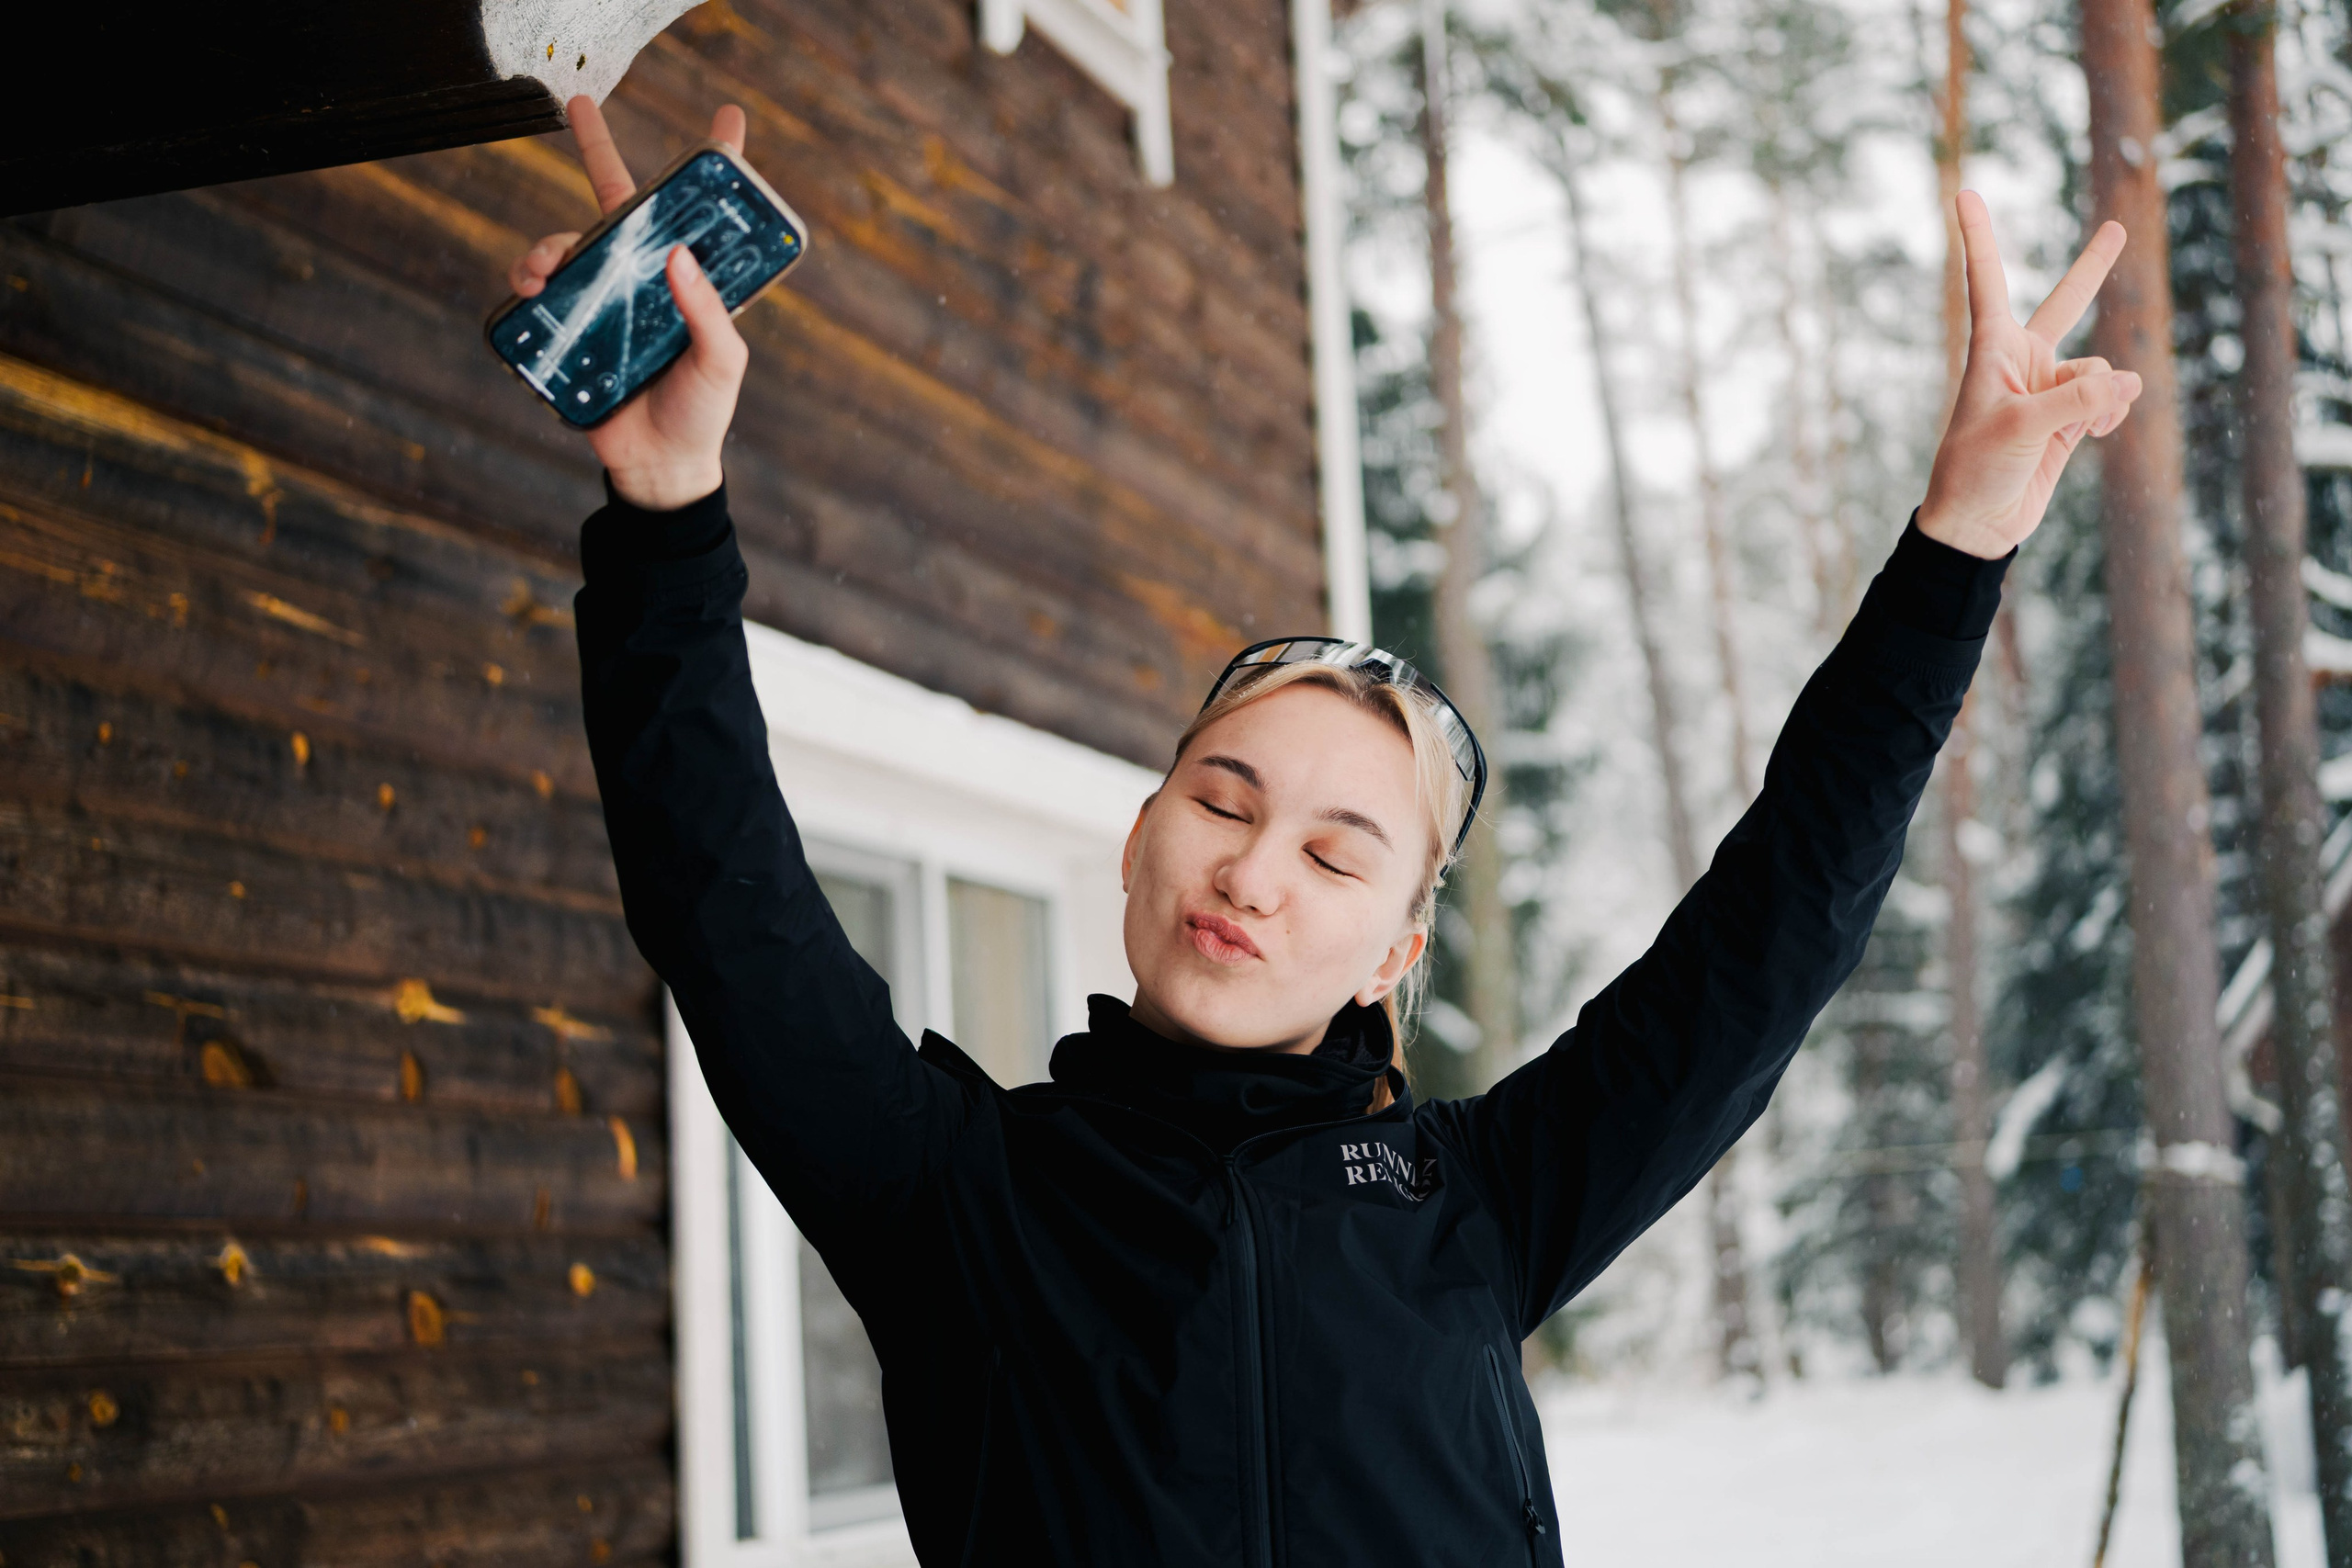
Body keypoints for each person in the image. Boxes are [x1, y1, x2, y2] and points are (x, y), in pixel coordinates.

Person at [532, 96, 2140, 1568]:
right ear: (1139, 842)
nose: (1251, 871)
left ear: (1396, 952)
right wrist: (667, 519)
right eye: (1224, 803)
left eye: (1334, 853)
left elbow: (1772, 937)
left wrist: (1956, 551)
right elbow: (726, 905)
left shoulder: (1483, 1202)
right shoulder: (957, 1191)